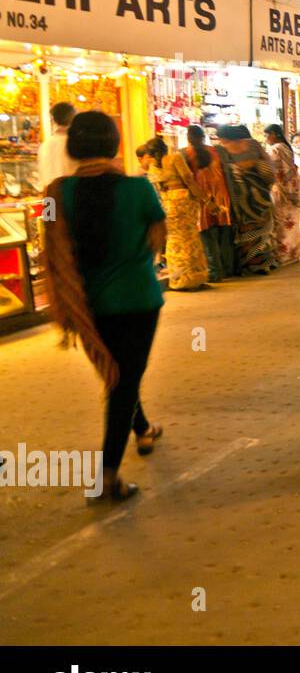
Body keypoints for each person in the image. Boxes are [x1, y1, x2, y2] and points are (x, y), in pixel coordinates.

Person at [42, 111, 165, 502]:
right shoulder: (141, 189)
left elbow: (50, 244)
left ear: (75, 147)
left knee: (121, 373)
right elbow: (158, 240)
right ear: (114, 144)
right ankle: (108, 475)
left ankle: (143, 429)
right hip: (138, 299)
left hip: (87, 304)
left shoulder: (53, 193)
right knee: (124, 380)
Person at [218, 125, 277, 275]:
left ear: (224, 138)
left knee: (246, 230)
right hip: (261, 193)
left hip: (241, 197)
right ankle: (266, 262)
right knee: (263, 228)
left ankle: (252, 264)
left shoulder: (222, 150)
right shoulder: (253, 144)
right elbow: (270, 170)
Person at [154, 134, 210, 291]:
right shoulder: (174, 158)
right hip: (182, 199)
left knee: (174, 240)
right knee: (190, 238)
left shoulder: (154, 165)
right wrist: (205, 200)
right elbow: (188, 179)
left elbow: (159, 187)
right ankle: (194, 278)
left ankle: (178, 279)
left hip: (167, 201)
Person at [184, 125, 234, 282]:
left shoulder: (185, 153)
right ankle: (227, 269)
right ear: (203, 136)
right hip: (222, 195)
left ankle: (215, 271)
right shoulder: (217, 150)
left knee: (207, 235)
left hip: (202, 198)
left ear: (188, 138)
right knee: (223, 234)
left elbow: (187, 178)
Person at [264, 124, 300, 266]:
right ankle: (293, 253)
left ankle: (284, 255)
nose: (265, 138)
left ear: (274, 134)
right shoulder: (286, 148)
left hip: (281, 193)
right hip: (293, 192)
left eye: (266, 135)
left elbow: (273, 172)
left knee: (282, 226)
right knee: (292, 225)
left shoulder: (275, 150)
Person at [37, 101, 77, 188]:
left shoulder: (45, 145)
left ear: (53, 120)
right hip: (70, 196)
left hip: (50, 196)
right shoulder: (77, 144)